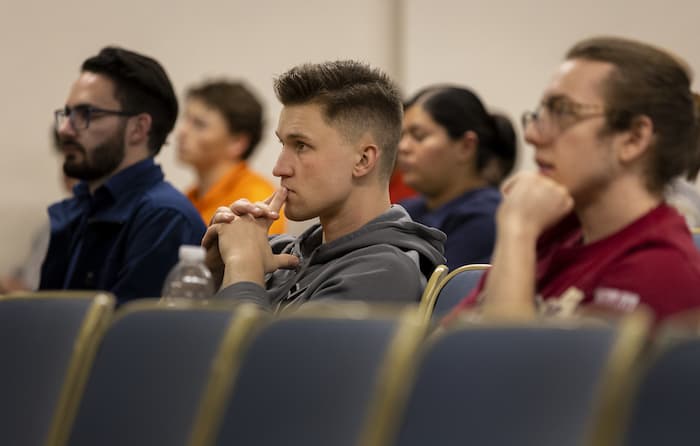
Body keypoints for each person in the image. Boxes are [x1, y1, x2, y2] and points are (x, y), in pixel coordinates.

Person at [447, 36, 700, 324]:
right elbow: (446, 345)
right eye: (541, 114)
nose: (533, 135)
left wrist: (518, 230)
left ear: (633, 138)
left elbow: (499, 366)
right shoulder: (553, 234)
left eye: (564, 111)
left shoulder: (662, 272)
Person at [203, 60, 446, 311]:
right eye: (282, 144)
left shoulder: (384, 272)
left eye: (301, 146)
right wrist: (211, 274)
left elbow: (264, 351)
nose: (279, 168)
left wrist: (244, 267)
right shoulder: (280, 252)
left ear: (363, 160)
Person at [40, 46, 206, 304]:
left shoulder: (164, 218)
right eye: (68, 113)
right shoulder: (81, 207)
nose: (64, 129)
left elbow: (124, 339)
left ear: (139, 129)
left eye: (86, 114)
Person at [398, 86, 517, 269]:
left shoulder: (488, 217)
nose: (403, 147)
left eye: (418, 136)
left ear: (466, 147)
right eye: (401, 136)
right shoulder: (406, 209)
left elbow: (434, 293)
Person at [177, 79, 286, 233]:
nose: (182, 131)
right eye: (185, 119)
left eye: (199, 124)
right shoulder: (189, 198)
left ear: (237, 142)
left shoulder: (257, 201)